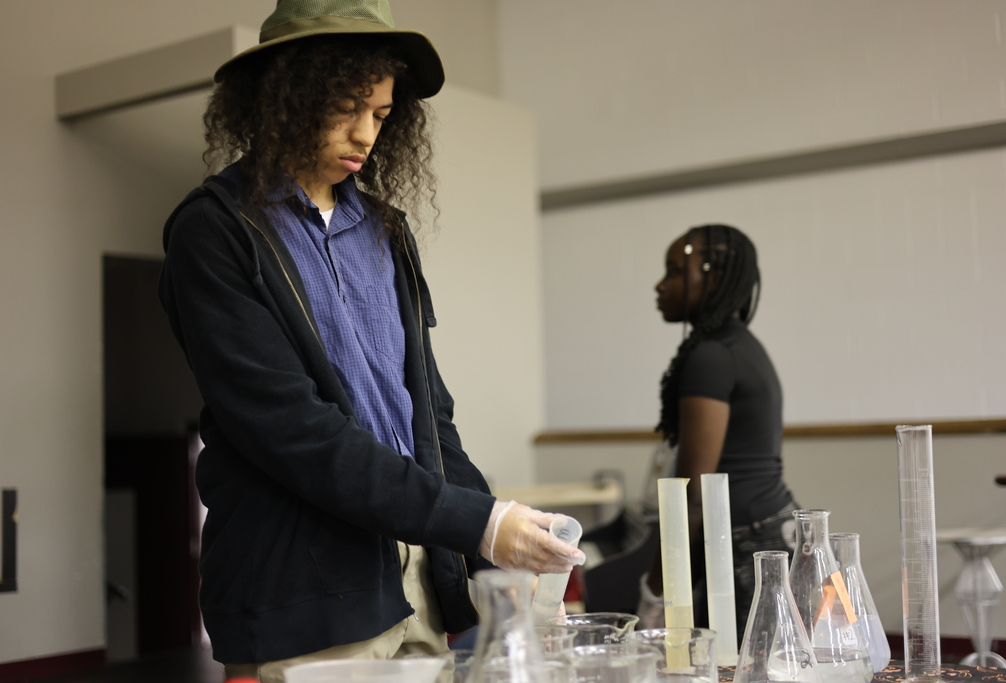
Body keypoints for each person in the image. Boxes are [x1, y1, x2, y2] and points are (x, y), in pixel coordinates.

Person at [158, 1, 584, 679]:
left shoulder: (385, 230)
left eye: (382, 114)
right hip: (303, 591)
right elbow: (292, 430)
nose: (365, 134)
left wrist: (497, 546)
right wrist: (477, 520)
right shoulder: (214, 232)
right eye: (348, 106)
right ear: (285, 94)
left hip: (415, 579)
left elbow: (430, 421)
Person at [638, 224, 798, 634]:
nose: (660, 285)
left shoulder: (711, 356)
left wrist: (654, 599)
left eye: (674, 272)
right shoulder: (737, 345)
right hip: (771, 529)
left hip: (745, 545)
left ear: (713, 277)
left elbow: (692, 495)